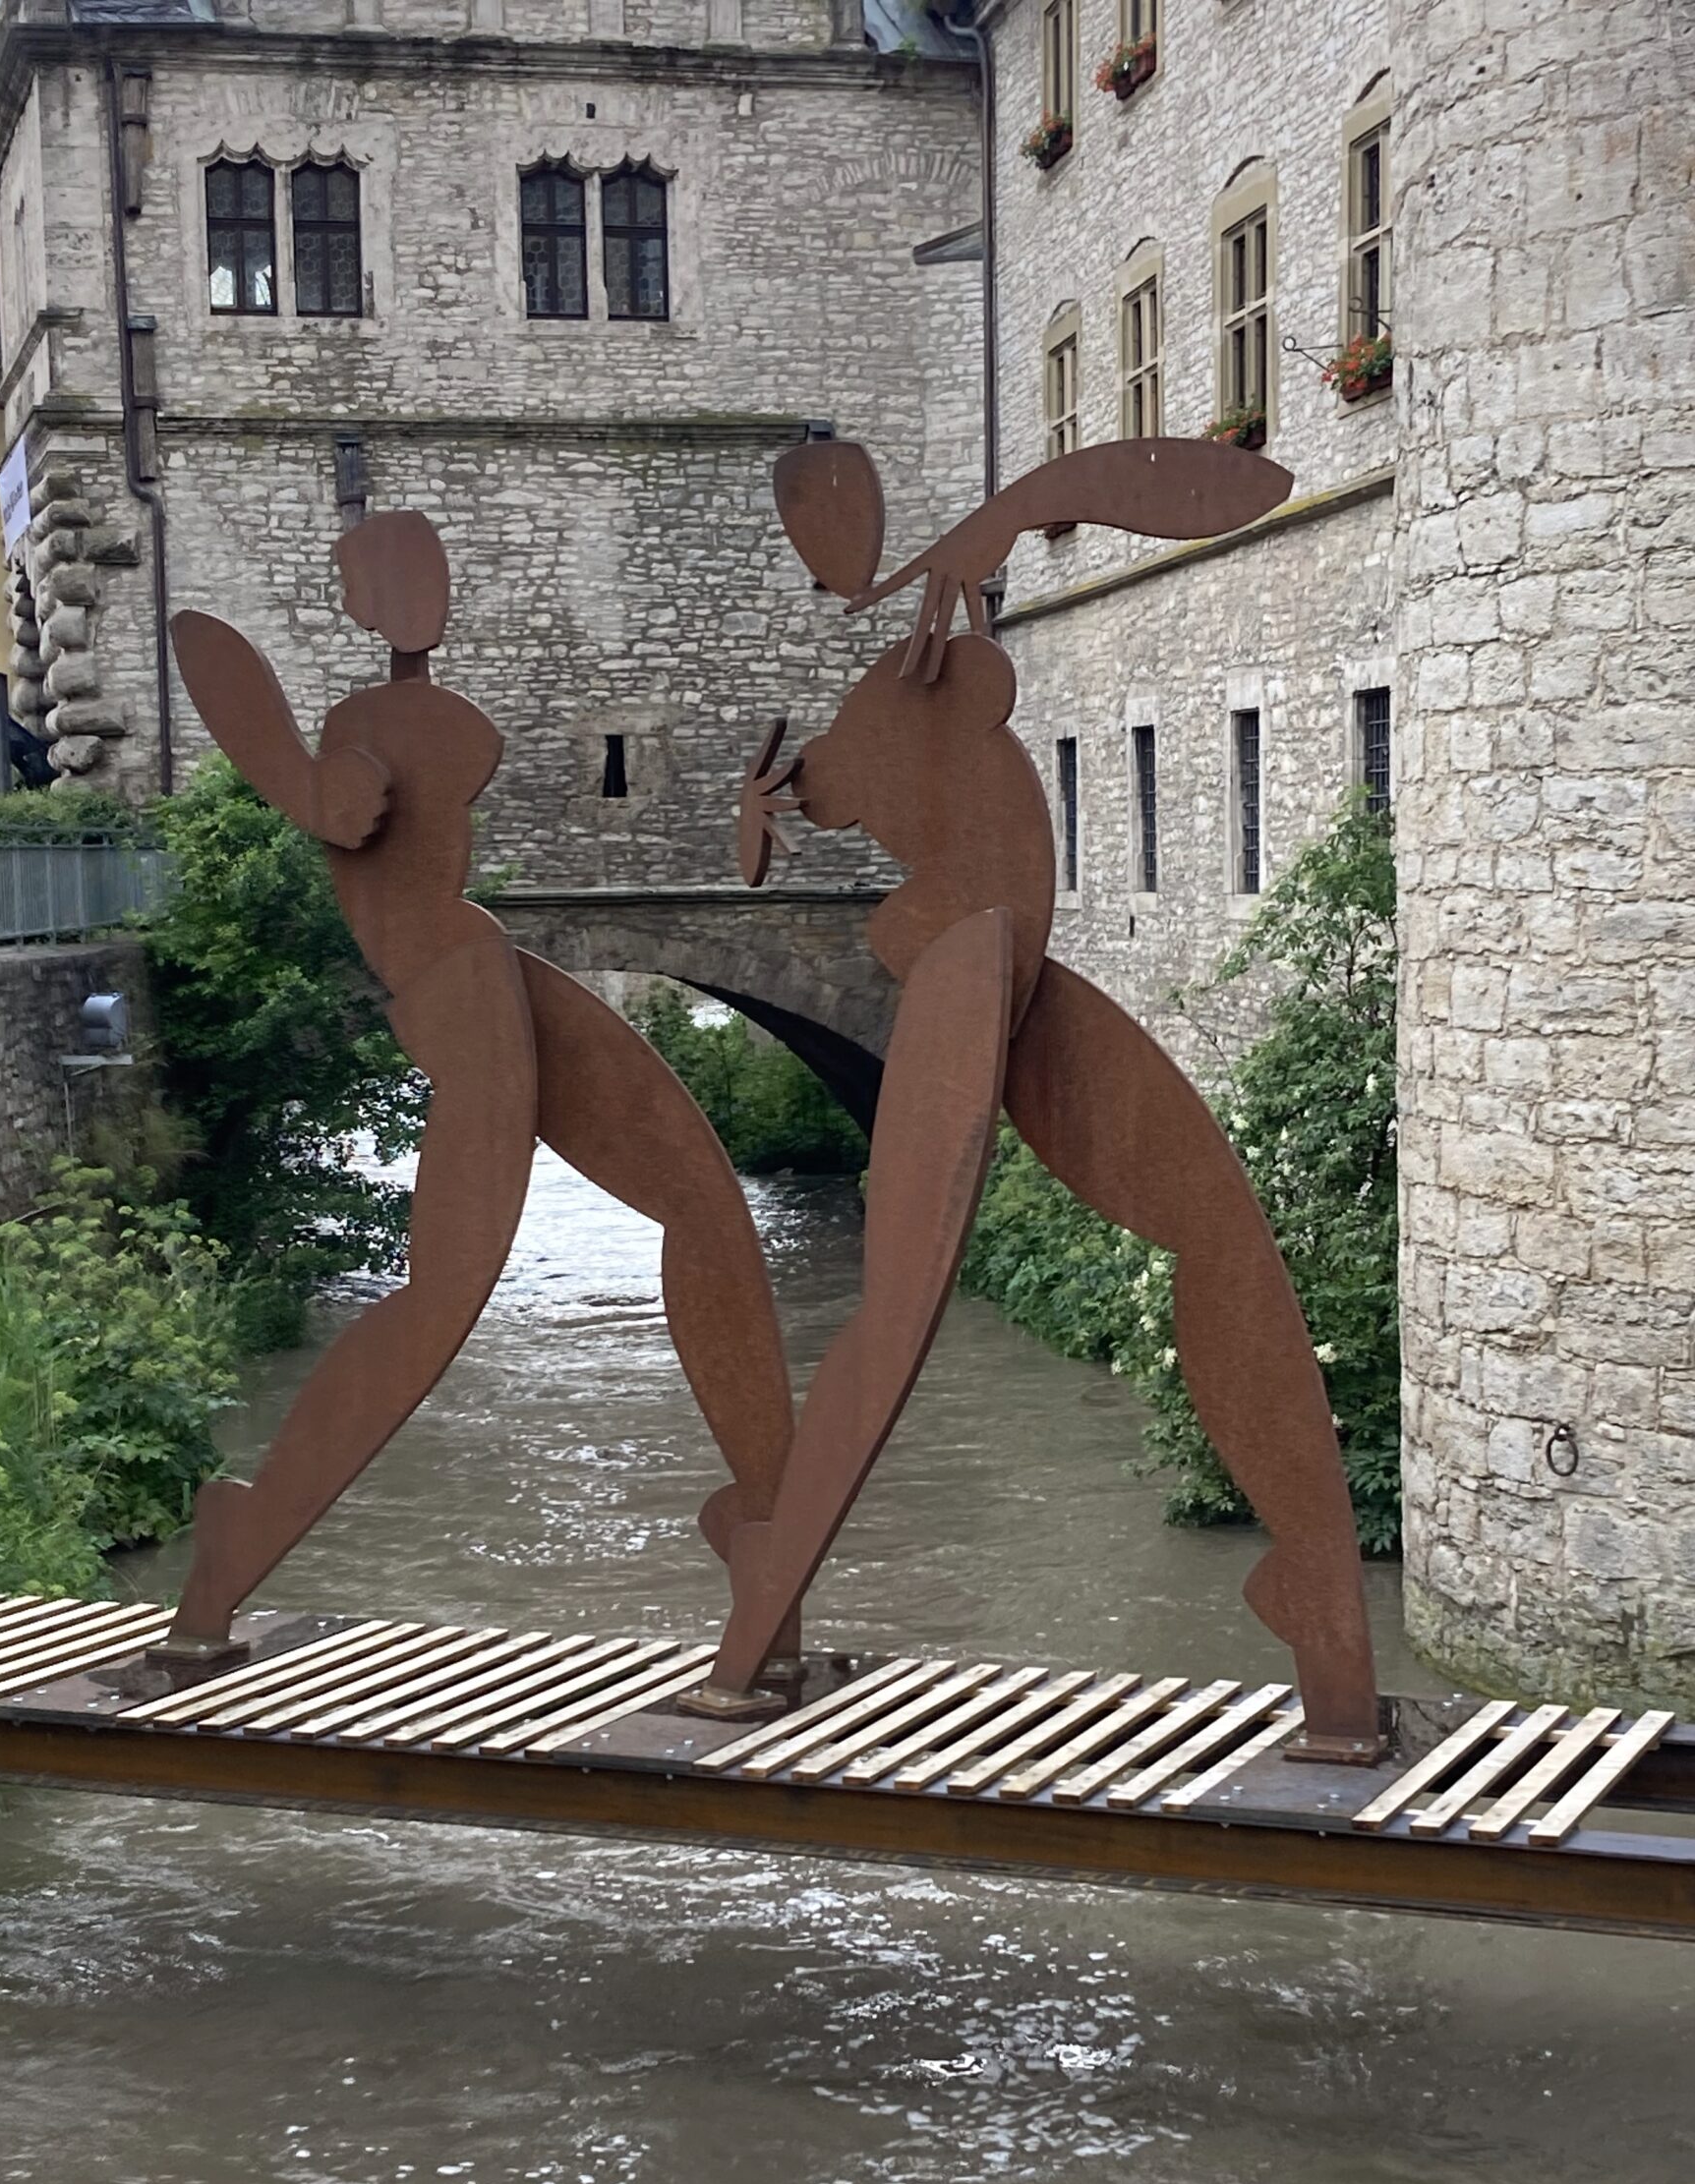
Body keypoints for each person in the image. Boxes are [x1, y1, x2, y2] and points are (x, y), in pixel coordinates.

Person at [705, 437, 1382, 1762]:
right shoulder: (882, 696)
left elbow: (1082, 542)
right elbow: (800, 803)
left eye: (846, 523)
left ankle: (1320, 1616)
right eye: (822, 536)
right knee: (896, 1314)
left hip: (1016, 976)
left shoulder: (942, 626)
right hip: (965, 977)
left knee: (1221, 1234)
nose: (848, 556)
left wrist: (1006, 527)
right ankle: (758, 1610)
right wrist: (758, 812)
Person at [161, 510, 795, 1676]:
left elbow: (425, 754)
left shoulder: (391, 729)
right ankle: (237, 1549)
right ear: (360, 602)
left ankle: (767, 1536)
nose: (428, 596)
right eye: (397, 577)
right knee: (446, 1297)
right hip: (462, 996)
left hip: (489, 968)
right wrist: (317, 787)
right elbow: (339, 765)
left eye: (434, 572)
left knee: (708, 1205)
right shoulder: (357, 740)